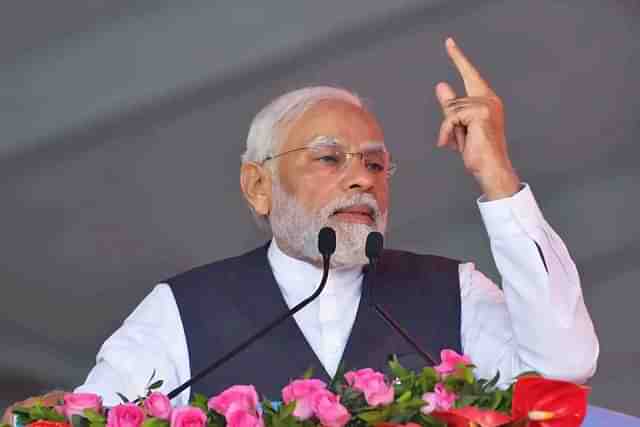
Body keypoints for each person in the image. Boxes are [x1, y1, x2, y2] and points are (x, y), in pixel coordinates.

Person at [2, 37, 598, 420]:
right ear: (258, 186)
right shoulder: (180, 313)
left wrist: (496, 177)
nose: (361, 179)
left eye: (373, 163)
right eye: (329, 158)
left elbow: (563, 373)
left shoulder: (456, 293)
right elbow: (93, 415)